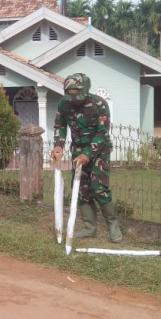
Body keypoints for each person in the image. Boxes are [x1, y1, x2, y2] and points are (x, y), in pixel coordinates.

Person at [50, 73, 121, 242]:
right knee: (82, 190)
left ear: (86, 90)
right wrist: (58, 145)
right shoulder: (64, 104)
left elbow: (103, 133)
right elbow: (60, 126)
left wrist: (88, 154)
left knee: (99, 188)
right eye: (71, 94)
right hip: (77, 152)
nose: (74, 99)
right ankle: (89, 228)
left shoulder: (99, 104)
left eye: (77, 95)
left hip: (99, 152)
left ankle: (113, 226)